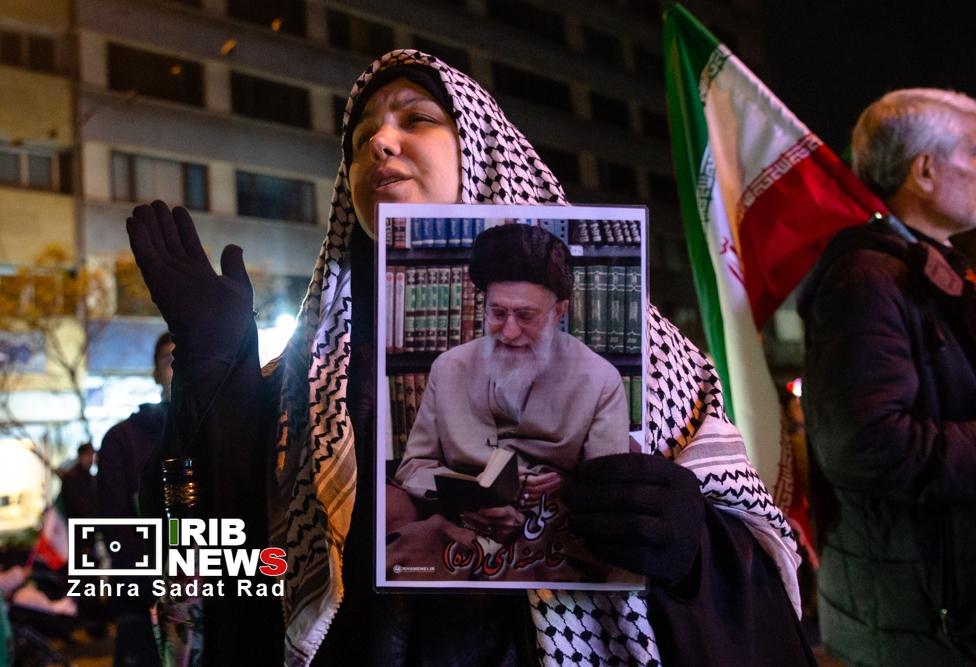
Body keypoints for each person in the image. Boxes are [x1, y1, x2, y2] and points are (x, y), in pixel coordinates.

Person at [127, 50, 812, 665]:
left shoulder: (648, 359)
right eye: (360, 140)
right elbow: (193, 561)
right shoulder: (301, 382)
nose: (380, 143)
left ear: (480, 148)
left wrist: (691, 544)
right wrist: (215, 369)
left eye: (416, 119)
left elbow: (755, 552)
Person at [798, 88, 976, 666]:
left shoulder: (931, 274)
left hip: (946, 613)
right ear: (925, 171)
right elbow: (866, 444)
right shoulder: (867, 280)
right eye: (974, 152)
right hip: (920, 628)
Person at [395, 224, 629, 539]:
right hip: (459, 524)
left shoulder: (600, 379)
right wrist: (469, 499)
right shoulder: (449, 368)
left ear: (559, 312)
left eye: (525, 316)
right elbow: (413, 469)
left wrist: (565, 486)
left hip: (558, 531)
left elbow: (609, 487)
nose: (509, 332)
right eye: (498, 313)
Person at [97, 331, 172, 667]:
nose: (180, 368)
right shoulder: (122, 441)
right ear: (155, 373)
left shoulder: (216, 436)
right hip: (143, 606)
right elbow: (117, 528)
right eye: (170, 360)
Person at [58, 443, 97, 521]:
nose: (90, 459)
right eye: (87, 455)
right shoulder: (72, 477)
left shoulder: (90, 478)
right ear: (80, 456)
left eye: (92, 455)